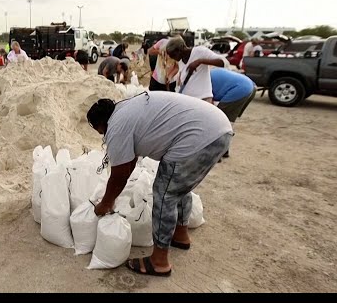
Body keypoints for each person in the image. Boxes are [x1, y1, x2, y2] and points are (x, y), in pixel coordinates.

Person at [87, 92, 233, 277]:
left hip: (199, 134)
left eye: (101, 133)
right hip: (218, 129)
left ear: (101, 124)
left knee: (165, 194)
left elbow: (120, 174)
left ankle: (159, 261)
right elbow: (129, 163)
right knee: (178, 187)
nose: (103, 136)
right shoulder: (125, 110)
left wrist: (106, 203)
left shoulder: (116, 127)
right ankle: (180, 235)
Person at [210, 68, 257, 159]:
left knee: (218, 121)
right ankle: (224, 150)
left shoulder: (200, 81)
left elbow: (208, 102)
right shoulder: (207, 74)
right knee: (228, 122)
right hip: (250, 86)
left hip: (239, 89)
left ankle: (217, 153)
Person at [166, 35, 225, 103]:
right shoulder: (181, 62)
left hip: (203, 100)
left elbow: (223, 62)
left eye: (173, 55)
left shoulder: (199, 51)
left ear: (180, 49)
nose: (172, 58)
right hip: (189, 102)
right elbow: (181, 84)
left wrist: (199, 61)